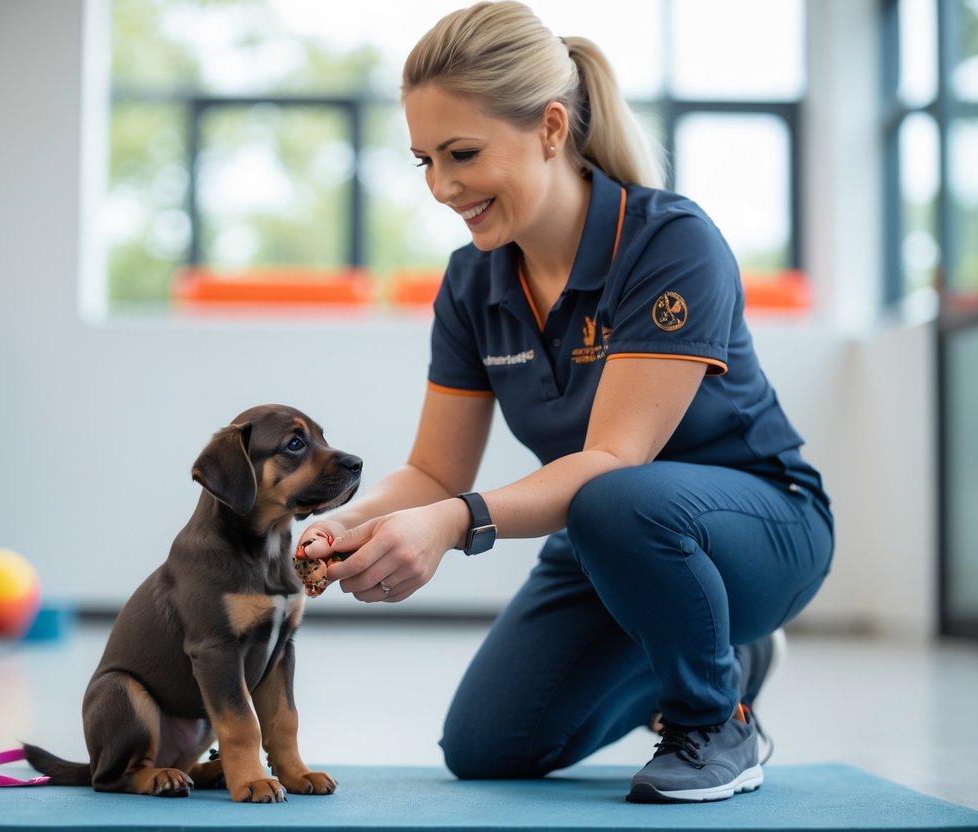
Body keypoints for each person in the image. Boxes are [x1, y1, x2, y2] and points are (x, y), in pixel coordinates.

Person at [298, 0, 834, 804]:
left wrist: (450, 526)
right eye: (423, 161)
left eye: (463, 153)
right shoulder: (472, 282)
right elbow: (433, 469)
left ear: (550, 128)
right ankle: (723, 663)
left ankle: (713, 720)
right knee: (487, 747)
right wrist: (349, 524)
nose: (442, 187)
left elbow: (615, 460)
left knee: (618, 499)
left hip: (760, 531)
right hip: (608, 539)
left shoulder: (668, 242)